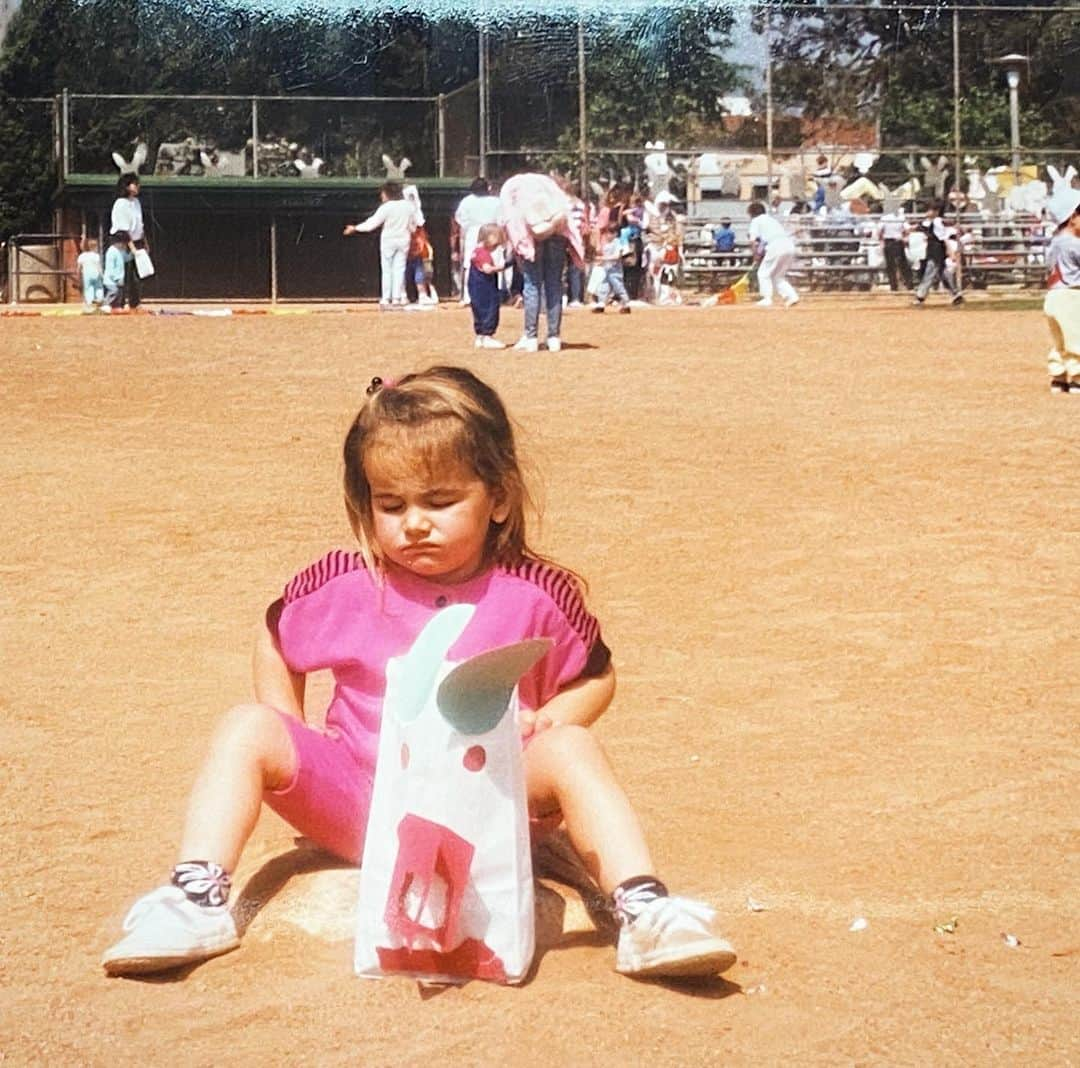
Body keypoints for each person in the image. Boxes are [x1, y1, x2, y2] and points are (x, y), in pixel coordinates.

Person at [100, 367, 736, 982]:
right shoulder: (348, 583)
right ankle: (197, 899)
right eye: (390, 504)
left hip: (488, 799)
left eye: (441, 500)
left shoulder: (537, 593)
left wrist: (548, 721)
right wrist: (293, 731)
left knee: (572, 748)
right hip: (363, 806)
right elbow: (276, 641)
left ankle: (644, 909)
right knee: (247, 726)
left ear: (500, 497)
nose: (414, 523)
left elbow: (597, 675)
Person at [500, 173, 585, 353]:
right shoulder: (555, 198)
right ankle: (554, 337)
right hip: (557, 238)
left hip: (533, 239)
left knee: (532, 285)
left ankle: (531, 337)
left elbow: (512, 223)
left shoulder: (520, 197)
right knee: (554, 284)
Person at [343, 182, 416, 308]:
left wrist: (355, 228)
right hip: (404, 239)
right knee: (399, 269)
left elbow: (372, 223)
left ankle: (386, 298)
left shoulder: (386, 207)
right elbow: (413, 226)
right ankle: (397, 298)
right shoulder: (408, 206)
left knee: (387, 269)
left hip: (389, 240)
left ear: (387, 193)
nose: (381, 196)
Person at [1043, 184, 1080, 393]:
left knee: (1059, 339)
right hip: (1072, 296)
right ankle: (1077, 377)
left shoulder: (1055, 242)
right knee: (1077, 337)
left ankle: (1058, 376)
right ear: (1073, 216)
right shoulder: (1074, 244)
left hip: (1054, 296)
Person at [454, 177, 502, 306]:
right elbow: (501, 219)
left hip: (473, 233)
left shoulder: (467, 201)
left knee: (471, 264)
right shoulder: (496, 202)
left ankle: (468, 296)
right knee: (494, 262)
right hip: (492, 232)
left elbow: (460, 219)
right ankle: (496, 294)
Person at [747, 201, 800, 308]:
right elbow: (763, 241)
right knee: (777, 276)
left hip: (776, 246)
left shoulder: (756, 221)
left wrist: (755, 255)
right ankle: (792, 296)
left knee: (763, 273)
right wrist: (760, 253)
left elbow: (752, 241)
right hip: (789, 245)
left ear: (752, 213)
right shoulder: (772, 220)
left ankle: (766, 298)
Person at [912, 199, 963, 306]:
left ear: (936, 211)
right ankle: (955, 294)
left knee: (930, 271)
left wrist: (950, 251)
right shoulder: (930, 222)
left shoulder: (937, 222)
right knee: (943, 272)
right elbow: (921, 227)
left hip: (936, 249)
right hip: (933, 248)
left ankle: (920, 296)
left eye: (930, 210)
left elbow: (943, 238)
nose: (927, 212)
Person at [109, 175, 147, 310]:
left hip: (136, 240)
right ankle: (117, 303)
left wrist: (144, 244)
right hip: (121, 242)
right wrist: (132, 247)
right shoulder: (120, 203)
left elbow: (139, 224)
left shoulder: (137, 202)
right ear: (126, 186)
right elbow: (123, 229)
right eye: (134, 184)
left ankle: (135, 302)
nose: (137, 187)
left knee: (136, 275)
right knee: (120, 273)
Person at [468, 223, 507, 348]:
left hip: (475, 287)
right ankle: (487, 335)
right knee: (490, 309)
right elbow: (487, 269)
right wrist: (501, 267)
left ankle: (480, 335)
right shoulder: (483, 253)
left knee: (478, 310)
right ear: (489, 238)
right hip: (485, 287)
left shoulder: (476, 251)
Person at [591, 221, 632, 314]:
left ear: (615, 234)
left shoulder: (617, 243)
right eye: (607, 233)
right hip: (606, 270)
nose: (607, 235)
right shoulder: (606, 245)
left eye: (610, 233)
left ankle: (626, 304)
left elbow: (617, 256)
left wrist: (603, 258)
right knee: (603, 286)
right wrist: (600, 262)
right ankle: (601, 304)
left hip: (615, 271)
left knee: (618, 287)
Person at [873, 203, 912, 291]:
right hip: (898, 242)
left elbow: (878, 231)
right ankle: (909, 285)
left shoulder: (885, 218)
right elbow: (907, 229)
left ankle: (893, 286)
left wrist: (881, 240)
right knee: (903, 264)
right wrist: (904, 236)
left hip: (889, 242)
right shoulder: (901, 217)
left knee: (891, 266)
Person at [406, 222, 437, 306]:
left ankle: (423, 295)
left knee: (426, 275)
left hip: (420, 255)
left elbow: (423, 245)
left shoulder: (420, 232)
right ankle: (405, 295)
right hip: (411, 254)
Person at [101, 231, 129, 311]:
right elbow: (110, 267)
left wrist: (135, 255)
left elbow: (126, 258)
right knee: (114, 291)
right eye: (124, 244)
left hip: (119, 278)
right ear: (118, 243)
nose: (124, 246)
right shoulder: (111, 251)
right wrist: (116, 278)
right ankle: (106, 304)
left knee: (120, 293)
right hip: (111, 279)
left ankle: (115, 306)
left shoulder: (120, 251)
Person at [76, 236, 104, 310]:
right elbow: (98, 266)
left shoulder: (82, 256)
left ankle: (89, 302)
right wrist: (102, 275)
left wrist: (78, 275)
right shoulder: (96, 256)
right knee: (99, 287)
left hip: (87, 275)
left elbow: (79, 267)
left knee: (88, 288)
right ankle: (99, 299)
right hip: (96, 274)